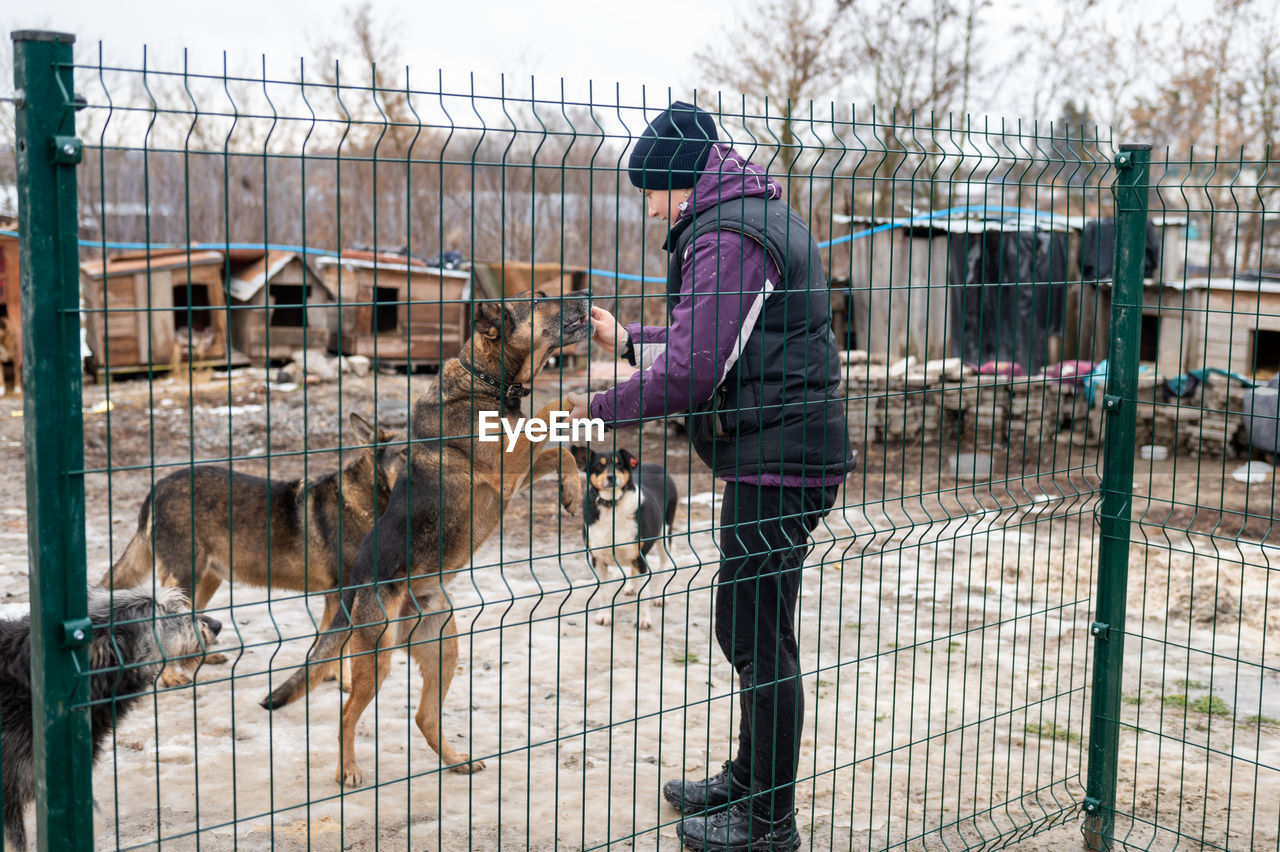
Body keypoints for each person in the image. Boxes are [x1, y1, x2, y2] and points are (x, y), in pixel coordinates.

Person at [566, 100, 855, 852]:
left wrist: (600, 408)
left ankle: (768, 823)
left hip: (780, 461)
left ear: (680, 180)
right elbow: (711, 331)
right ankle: (750, 779)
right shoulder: (749, 215)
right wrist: (629, 339)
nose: (652, 208)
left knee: (757, 637)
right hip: (780, 453)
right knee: (754, 630)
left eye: (653, 192)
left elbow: (697, 368)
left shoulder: (727, 234)